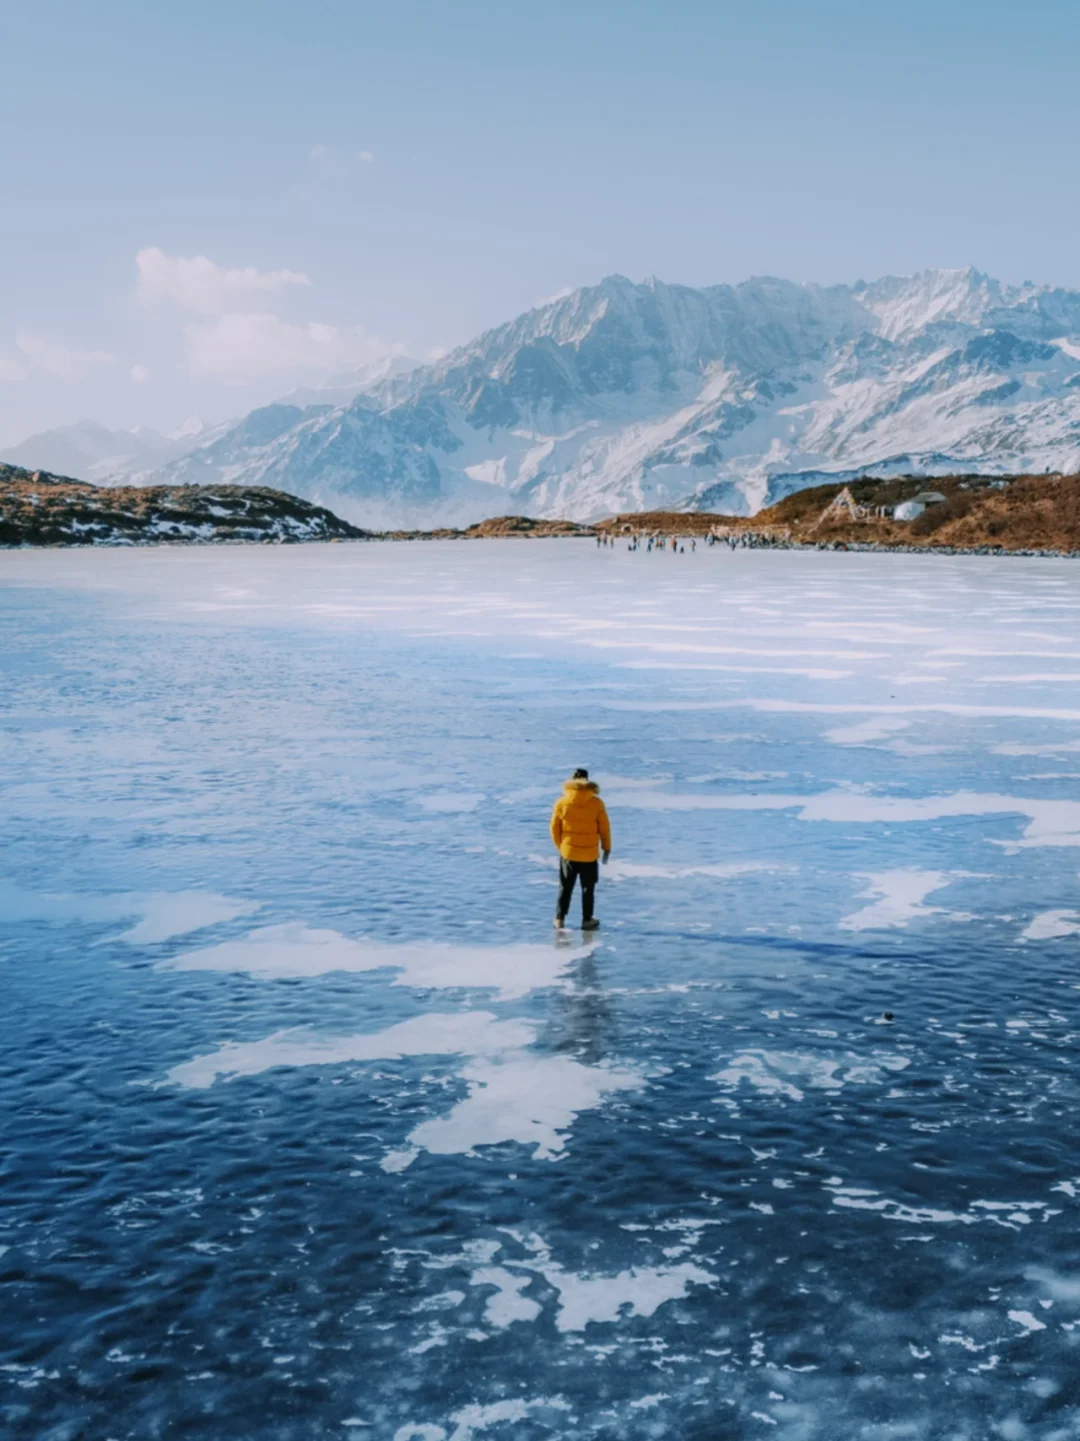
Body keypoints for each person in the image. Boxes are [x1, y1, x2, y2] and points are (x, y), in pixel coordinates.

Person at [550, 768, 612, 930]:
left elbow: (554, 828)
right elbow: (604, 828)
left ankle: (559, 919)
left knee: (565, 886)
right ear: (588, 781)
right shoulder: (596, 802)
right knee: (588, 888)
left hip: (568, 852)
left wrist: (562, 847)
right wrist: (607, 847)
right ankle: (587, 919)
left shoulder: (562, 802)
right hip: (589, 854)